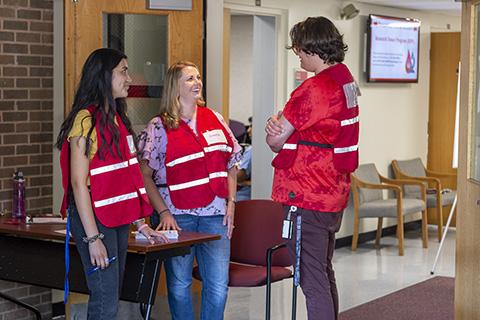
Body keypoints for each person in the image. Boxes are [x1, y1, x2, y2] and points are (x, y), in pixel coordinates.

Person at [56, 48, 166, 319]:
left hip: (116, 219)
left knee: (111, 296)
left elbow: (127, 178)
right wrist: (93, 238)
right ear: (104, 76)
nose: (129, 78)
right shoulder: (85, 120)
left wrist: (141, 224)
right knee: (105, 301)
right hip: (94, 219)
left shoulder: (118, 119)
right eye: (123, 71)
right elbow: (78, 184)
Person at [265, 17, 360, 320]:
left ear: (312, 47)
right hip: (333, 190)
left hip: (307, 193)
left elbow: (276, 140)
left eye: (300, 50)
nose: (299, 56)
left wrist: (275, 129)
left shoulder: (315, 88)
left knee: (310, 277)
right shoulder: (346, 82)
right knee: (322, 271)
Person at [138, 61, 242, 320]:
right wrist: (162, 213)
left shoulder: (214, 118)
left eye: (198, 77)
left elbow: (232, 163)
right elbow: (144, 175)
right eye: (189, 79)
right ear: (175, 87)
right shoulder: (159, 126)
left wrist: (231, 203)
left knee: (217, 285)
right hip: (177, 216)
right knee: (180, 285)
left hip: (216, 214)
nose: (197, 83)